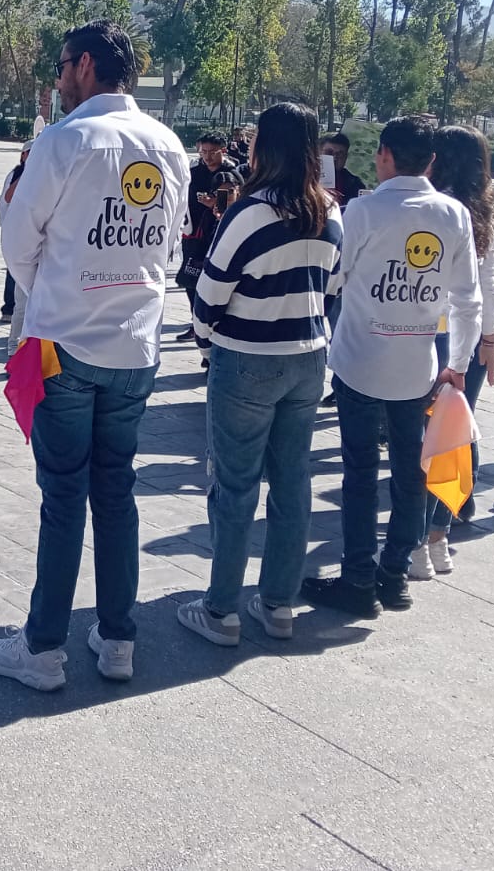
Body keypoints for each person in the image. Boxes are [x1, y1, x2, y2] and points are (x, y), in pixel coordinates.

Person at [0, 20, 189, 690]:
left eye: (63, 66)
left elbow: (16, 243)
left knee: (64, 496)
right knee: (116, 491)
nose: (59, 78)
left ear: (87, 66)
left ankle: (42, 648)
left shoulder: (65, 141)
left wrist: (55, 295)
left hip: (66, 346)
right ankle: (118, 636)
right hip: (135, 347)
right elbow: (172, 252)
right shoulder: (168, 146)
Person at [301, 115, 481, 618]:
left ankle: (359, 577)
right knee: (410, 472)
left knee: (361, 472)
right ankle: (395, 572)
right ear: (431, 162)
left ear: (382, 155)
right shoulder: (454, 215)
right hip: (419, 363)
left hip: (361, 359)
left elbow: (333, 278)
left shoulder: (362, 211)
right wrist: (459, 364)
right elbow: (469, 301)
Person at [176, 103, 342, 646]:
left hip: (247, 357)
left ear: (262, 149)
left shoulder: (249, 212)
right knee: (293, 483)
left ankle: (220, 608)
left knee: (235, 485)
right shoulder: (329, 212)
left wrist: (204, 339)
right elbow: (333, 289)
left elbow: (211, 293)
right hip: (307, 358)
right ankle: (278, 604)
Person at [415, 125, 494, 572]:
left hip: (429, 332)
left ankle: (417, 542)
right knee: (451, 440)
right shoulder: (482, 209)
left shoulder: (434, 207)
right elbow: (488, 285)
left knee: (419, 442)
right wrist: (488, 341)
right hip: (466, 337)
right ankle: (439, 538)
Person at [175, 131, 239, 343]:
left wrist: (214, 204)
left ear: (223, 150)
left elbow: (226, 207)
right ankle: (195, 320)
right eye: (204, 151)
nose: (208, 157)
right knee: (190, 275)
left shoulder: (231, 172)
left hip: (218, 233)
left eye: (213, 152)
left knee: (211, 278)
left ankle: (211, 322)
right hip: (192, 230)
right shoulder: (193, 170)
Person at [0, 141, 33, 338]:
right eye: (30, 153)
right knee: (17, 283)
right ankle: (13, 346)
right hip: (19, 236)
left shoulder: (48, 173)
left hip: (39, 240)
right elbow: (7, 199)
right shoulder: (16, 174)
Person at [322, 131, 364, 210]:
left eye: (340, 154)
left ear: (346, 157)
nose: (334, 158)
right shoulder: (305, 180)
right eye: (329, 152)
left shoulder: (355, 184)